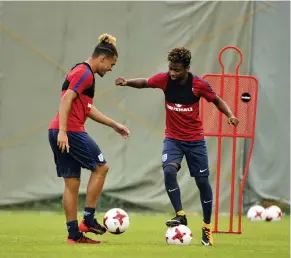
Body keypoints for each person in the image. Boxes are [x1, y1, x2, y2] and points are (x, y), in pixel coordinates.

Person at [115, 47, 239, 246]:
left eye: (177, 70)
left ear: (187, 68)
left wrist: (231, 116)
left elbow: (216, 100)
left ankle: (207, 228)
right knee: (169, 171)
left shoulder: (198, 85)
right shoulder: (165, 80)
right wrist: (127, 82)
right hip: (173, 139)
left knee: (202, 183)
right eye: (170, 68)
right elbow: (146, 83)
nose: (172, 73)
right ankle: (180, 215)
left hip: (195, 141)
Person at [48, 33, 130, 244]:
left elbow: (86, 108)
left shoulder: (80, 72)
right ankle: (89, 219)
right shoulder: (85, 73)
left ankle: (74, 235)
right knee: (101, 167)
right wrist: (64, 132)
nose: (110, 69)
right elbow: (66, 99)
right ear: (102, 58)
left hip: (58, 130)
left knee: (72, 183)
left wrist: (114, 124)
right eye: (111, 64)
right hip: (70, 132)